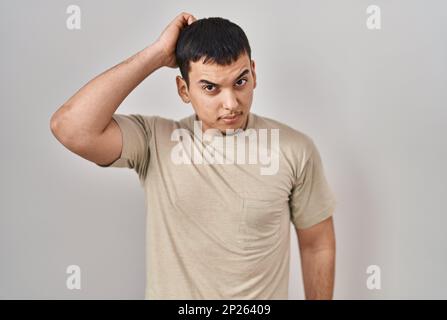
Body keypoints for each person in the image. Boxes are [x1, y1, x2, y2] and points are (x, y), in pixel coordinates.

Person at [50, 12, 337, 300]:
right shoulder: (154, 141)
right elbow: (71, 128)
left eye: (240, 82)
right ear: (183, 89)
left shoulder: (294, 149)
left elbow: (317, 244)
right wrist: (157, 54)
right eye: (210, 88)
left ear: (254, 73)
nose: (231, 103)